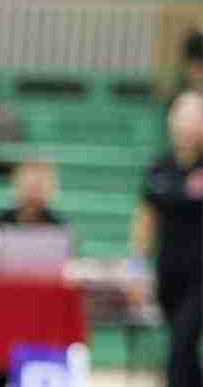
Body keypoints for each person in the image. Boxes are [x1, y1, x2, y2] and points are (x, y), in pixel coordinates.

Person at [0, 159, 69, 387]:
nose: (35, 188)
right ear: (17, 184)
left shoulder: (60, 227)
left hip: (39, 313)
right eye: (30, 181)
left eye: (41, 182)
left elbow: (67, 268)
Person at [131, 90, 203, 387]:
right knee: (183, 350)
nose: (187, 127)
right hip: (169, 273)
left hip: (201, 277)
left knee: (181, 346)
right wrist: (137, 267)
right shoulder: (159, 167)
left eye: (194, 120)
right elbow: (146, 219)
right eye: (182, 119)